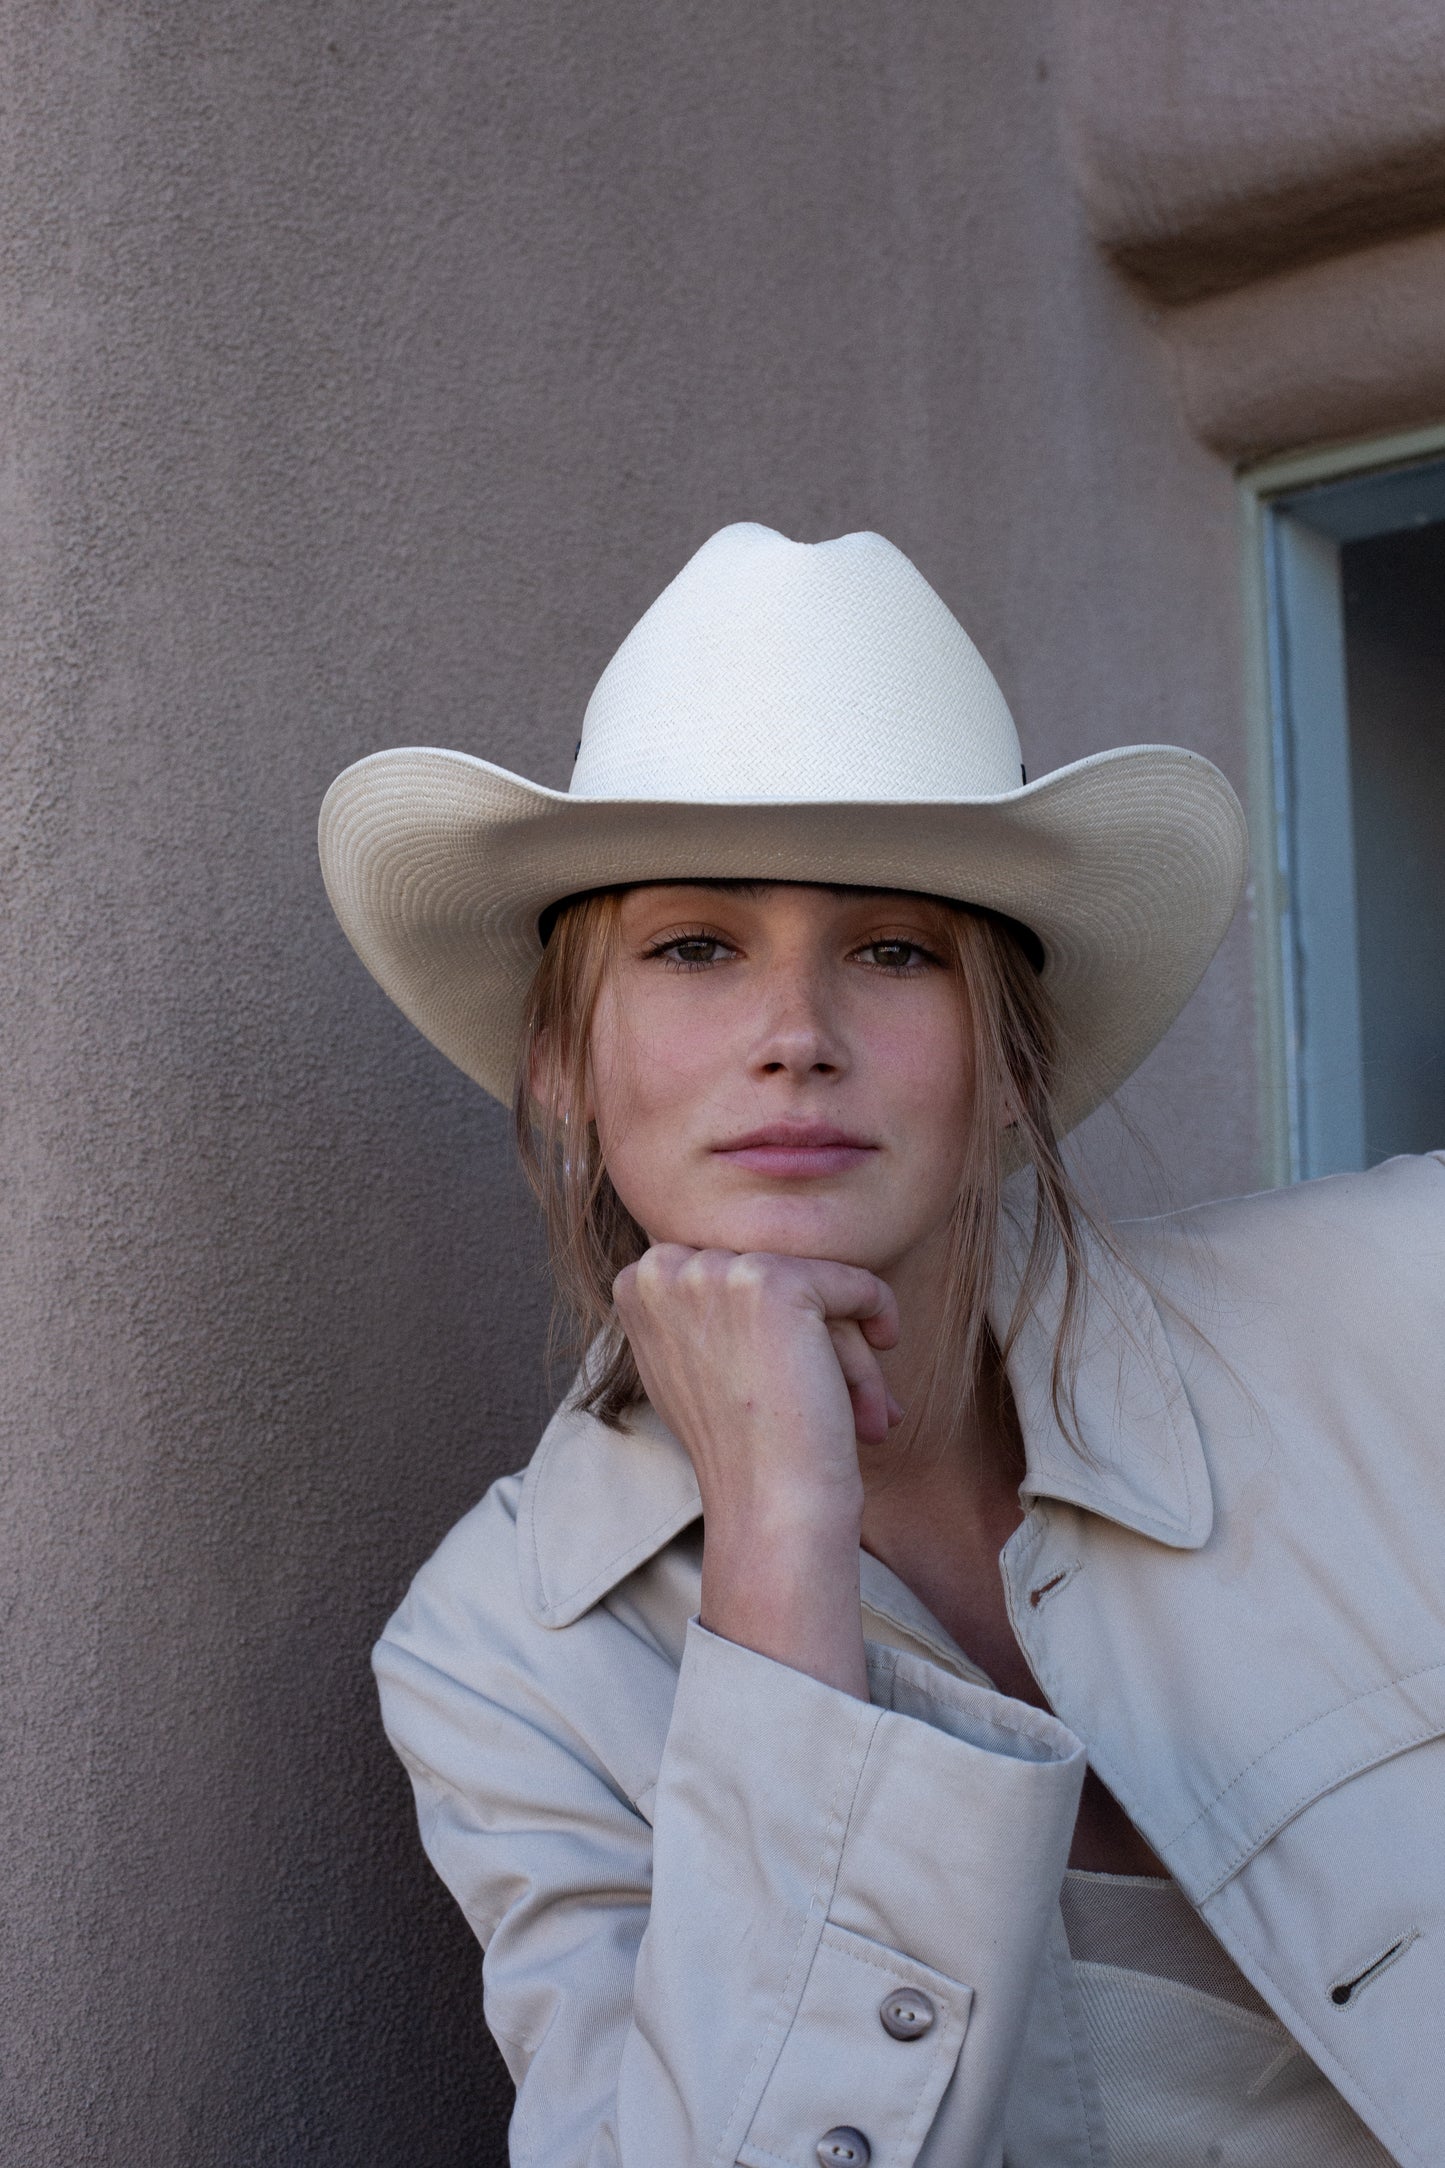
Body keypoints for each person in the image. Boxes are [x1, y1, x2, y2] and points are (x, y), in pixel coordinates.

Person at [318, 524, 1445, 2168]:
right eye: (694, 947)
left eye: (894, 951)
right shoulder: (505, 1658)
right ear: (558, 1061)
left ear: (1009, 1066)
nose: (796, 1039)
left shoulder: (1393, 1306)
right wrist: (779, 1541)